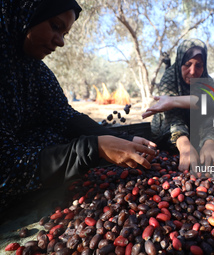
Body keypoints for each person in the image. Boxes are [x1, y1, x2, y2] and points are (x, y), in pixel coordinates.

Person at [0, 0, 156, 211]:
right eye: (55, 26)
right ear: (25, 13)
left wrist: (124, 140)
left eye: (64, 34)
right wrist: (93, 148)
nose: (61, 42)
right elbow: (7, 167)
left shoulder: (36, 71)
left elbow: (64, 116)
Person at [146, 39, 214, 171]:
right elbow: (172, 116)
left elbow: (210, 114)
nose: (193, 71)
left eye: (199, 65)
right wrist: (183, 143)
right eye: (187, 64)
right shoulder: (169, 77)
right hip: (168, 131)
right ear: (180, 62)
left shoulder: (207, 81)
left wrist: (210, 141)